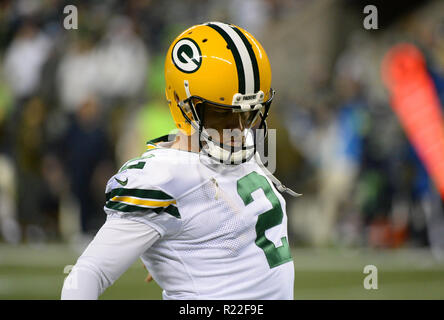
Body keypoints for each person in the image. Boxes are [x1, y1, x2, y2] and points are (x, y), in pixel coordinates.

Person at [61, 22, 299, 300]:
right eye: (221, 114)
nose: (238, 128)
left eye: (248, 113)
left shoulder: (237, 141)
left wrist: (185, 250)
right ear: (182, 104)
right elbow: (86, 276)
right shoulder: (161, 177)